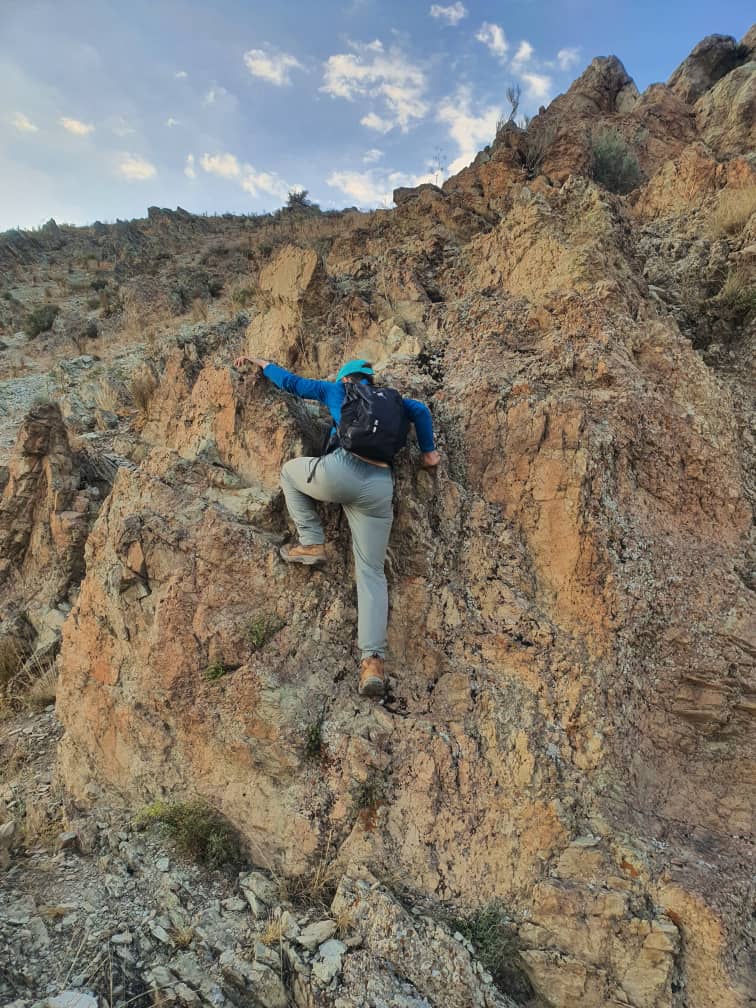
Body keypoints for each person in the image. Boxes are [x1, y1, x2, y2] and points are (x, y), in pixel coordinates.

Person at [233, 355, 440, 697]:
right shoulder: (396, 402)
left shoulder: (337, 390)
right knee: (371, 573)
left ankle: (312, 541)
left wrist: (262, 362)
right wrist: (429, 453)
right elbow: (420, 411)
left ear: (345, 378)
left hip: (341, 472)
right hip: (379, 486)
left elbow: (293, 383)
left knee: (289, 472)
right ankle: (372, 663)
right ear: (370, 381)